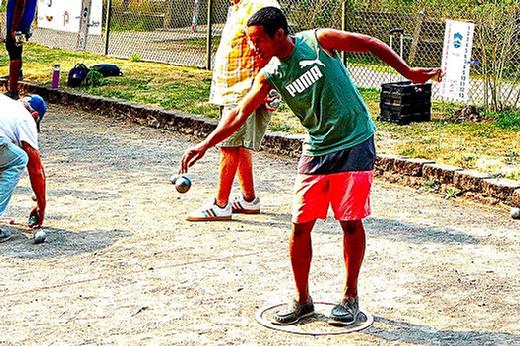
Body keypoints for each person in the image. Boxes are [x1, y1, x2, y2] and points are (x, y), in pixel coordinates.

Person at [179, 7, 442, 325]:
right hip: (317, 148)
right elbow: (238, 114)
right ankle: (303, 301)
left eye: (257, 41)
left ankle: (350, 296)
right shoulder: (272, 74)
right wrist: (204, 144)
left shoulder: (319, 41)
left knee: (349, 222)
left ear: (278, 34)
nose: (253, 48)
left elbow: (370, 42)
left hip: (354, 140)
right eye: (250, 42)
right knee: (300, 225)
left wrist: (409, 72)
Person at [185, 0, 280, 221]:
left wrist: (267, 88)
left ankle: (221, 204)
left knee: (229, 144)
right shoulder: (239, 6)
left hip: (246, 90)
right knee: (239, 145)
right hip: (233, 89)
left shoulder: (260, 4)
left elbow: (270, 48)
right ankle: (249, 200)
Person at [0, 93, 47, 242]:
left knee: (6, 157)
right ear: (34, 115)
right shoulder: (26, 119)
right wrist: (41, 204)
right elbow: (35, 168)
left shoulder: (6, 102)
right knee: (19, 159)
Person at [4, 0, 37, 99]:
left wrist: (14, 28)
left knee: (14, 53)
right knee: (16, 51)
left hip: (17, 25)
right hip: (22, 24)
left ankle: (13, 90)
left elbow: (19, 5)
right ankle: (16, 76)